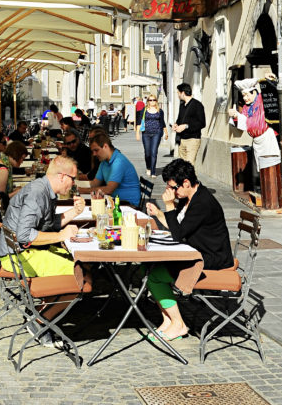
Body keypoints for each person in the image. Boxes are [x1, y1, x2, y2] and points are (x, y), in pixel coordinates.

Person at [0, 156, 91, 340]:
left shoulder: (44, 189)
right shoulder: (37, 194)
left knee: (83, 264)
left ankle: (41, 310)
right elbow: (25, 235)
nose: (74, 184)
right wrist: (61, 236)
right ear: (62, 176)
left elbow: (49, 224)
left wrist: (75, 212)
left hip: (21, 252)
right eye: (73, 178)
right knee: (81, 275)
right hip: (17, 257)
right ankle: (40, 321)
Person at [145, 159, 233, 341]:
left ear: (186, 182)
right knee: (147, 267)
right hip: (195, 252)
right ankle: (168, 320)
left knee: (156, 274)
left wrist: (168, 206)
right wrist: (160, 214)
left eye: (173, 187)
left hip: (211, 258)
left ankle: (179, 324)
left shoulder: (202, 202)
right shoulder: (188, 198)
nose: (172, 193)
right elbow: (178, 226)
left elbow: (178, 235)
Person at [229, 78, 281, 171]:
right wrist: (235, 115)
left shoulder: (262, 99)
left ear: (254, 92)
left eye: (247, 95)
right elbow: (243, 123)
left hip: (267, 138)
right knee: (261, 167)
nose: (245, 98)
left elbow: (272, 91)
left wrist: (268, 79)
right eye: (243, 96)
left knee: (271, 165)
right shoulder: (246, 107)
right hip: (257, 141)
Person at [89, 130, 140, 207]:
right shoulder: (104, 161)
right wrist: (77, 185)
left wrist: (81, 190)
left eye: (96, 150)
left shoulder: (118, 162)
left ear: (105, 146)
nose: (94, 154)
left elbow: (109, 189)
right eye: (93, 151)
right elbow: (95, 183)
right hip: (114, 201)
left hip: (128, 204)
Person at [0, 141, 27, 212]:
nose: (22, 161)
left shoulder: (2, 162)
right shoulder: (3, 170)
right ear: (16, 155)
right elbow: (1, 199)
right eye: (22, 158)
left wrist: (14, 190)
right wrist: (18, 191)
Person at [173, 83, 206, 164]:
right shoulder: (182, 105)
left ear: (183, 93)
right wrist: (176, 124)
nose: (178, 95)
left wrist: (186, 126)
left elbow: (202, 123)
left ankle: (190, 177)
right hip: (182, 140)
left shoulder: (197, 105)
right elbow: (180, 119)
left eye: (178, 93)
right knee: (182, 166)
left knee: (189, 165)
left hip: (193, 139)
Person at [140, 94, 168, 177]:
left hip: (157, 133)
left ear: (156, 101)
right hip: (146, 133)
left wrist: (166, 133)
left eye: (154, 100)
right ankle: (148, 167)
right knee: (147, 153)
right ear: (148, 101)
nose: (152, 102)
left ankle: (153, 171)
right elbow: (140, 121)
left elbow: (162, 122)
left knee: (154, 152)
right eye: (150, 100)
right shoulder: (144, 110)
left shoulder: (160, 111)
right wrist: (137, 132)